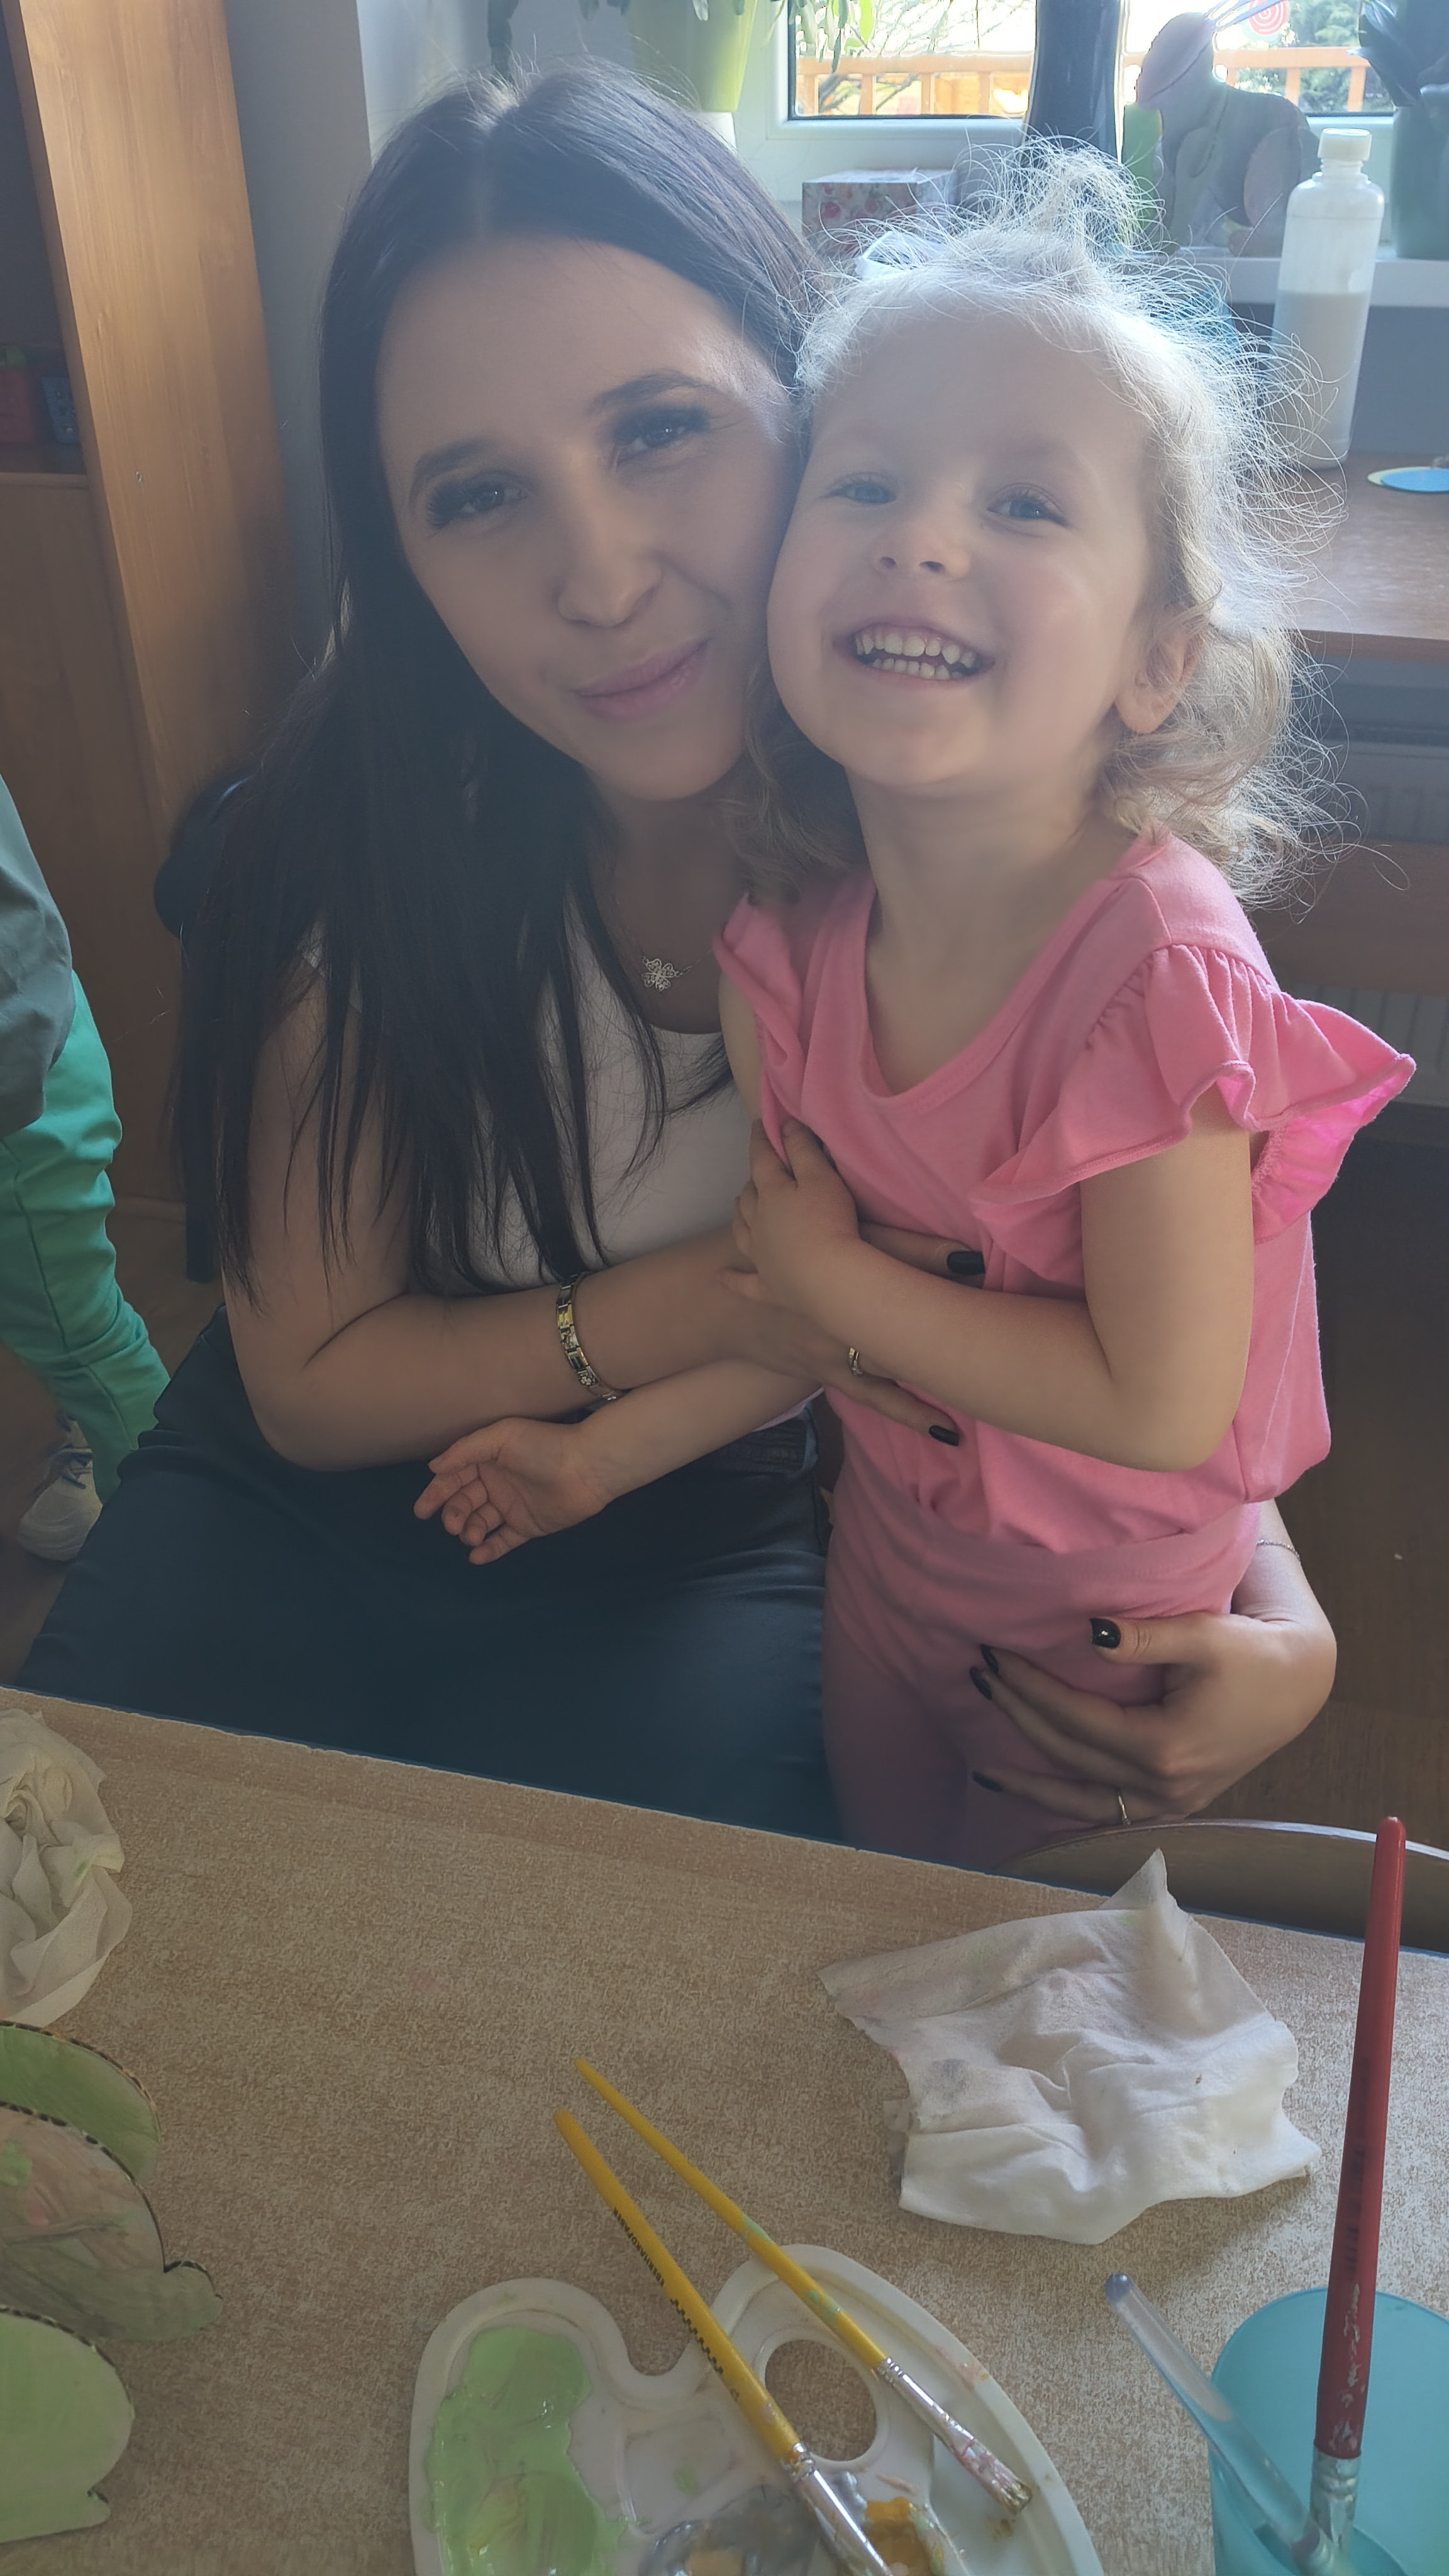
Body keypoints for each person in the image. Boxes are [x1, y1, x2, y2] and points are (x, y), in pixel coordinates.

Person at [21, 74, 1337, 1841]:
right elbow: (314, 1388)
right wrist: (737, 1297)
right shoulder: (360, 839)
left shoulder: (983, 831)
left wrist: (1282, 1607)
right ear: (402, 558)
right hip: (316, 1493)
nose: (600, 580)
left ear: (821, 413)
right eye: (479, 494)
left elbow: (1121, 1277)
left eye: (659, 431)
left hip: (724, 1499)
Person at [412, 146, 1404, 1865]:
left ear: (1159, 659)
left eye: (1024, 506)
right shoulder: (789, 957)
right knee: (865, 1911)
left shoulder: (1157, 984)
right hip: (883, 1576)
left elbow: (1157, 1402)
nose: (922, 537)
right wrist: (602, 1462)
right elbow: (806, 1327)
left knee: (1018, 1972)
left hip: (1097, 1652)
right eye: (864, 482)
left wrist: (838, 1281)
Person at [0, 776, 169, 1559]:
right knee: (73, 1330)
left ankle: (179, 1551)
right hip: (33, 1047)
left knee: (87, 1343)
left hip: (19, 1093)